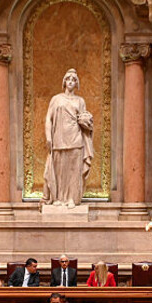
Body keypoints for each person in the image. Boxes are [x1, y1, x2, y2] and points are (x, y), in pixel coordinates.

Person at [42, 69, 94, 208]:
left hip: (75, 138)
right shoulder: (56, 99)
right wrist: (48, 137)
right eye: (68, 79)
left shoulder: (80, 101)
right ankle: (57, 197)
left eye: (73, 80)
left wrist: (87, 121)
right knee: (59, 169)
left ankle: (72, 198)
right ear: (64, 82)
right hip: (59, 138)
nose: (70, 82)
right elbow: (48, 118)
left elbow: (84, 118)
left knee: (74, 170)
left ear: (76, 84)